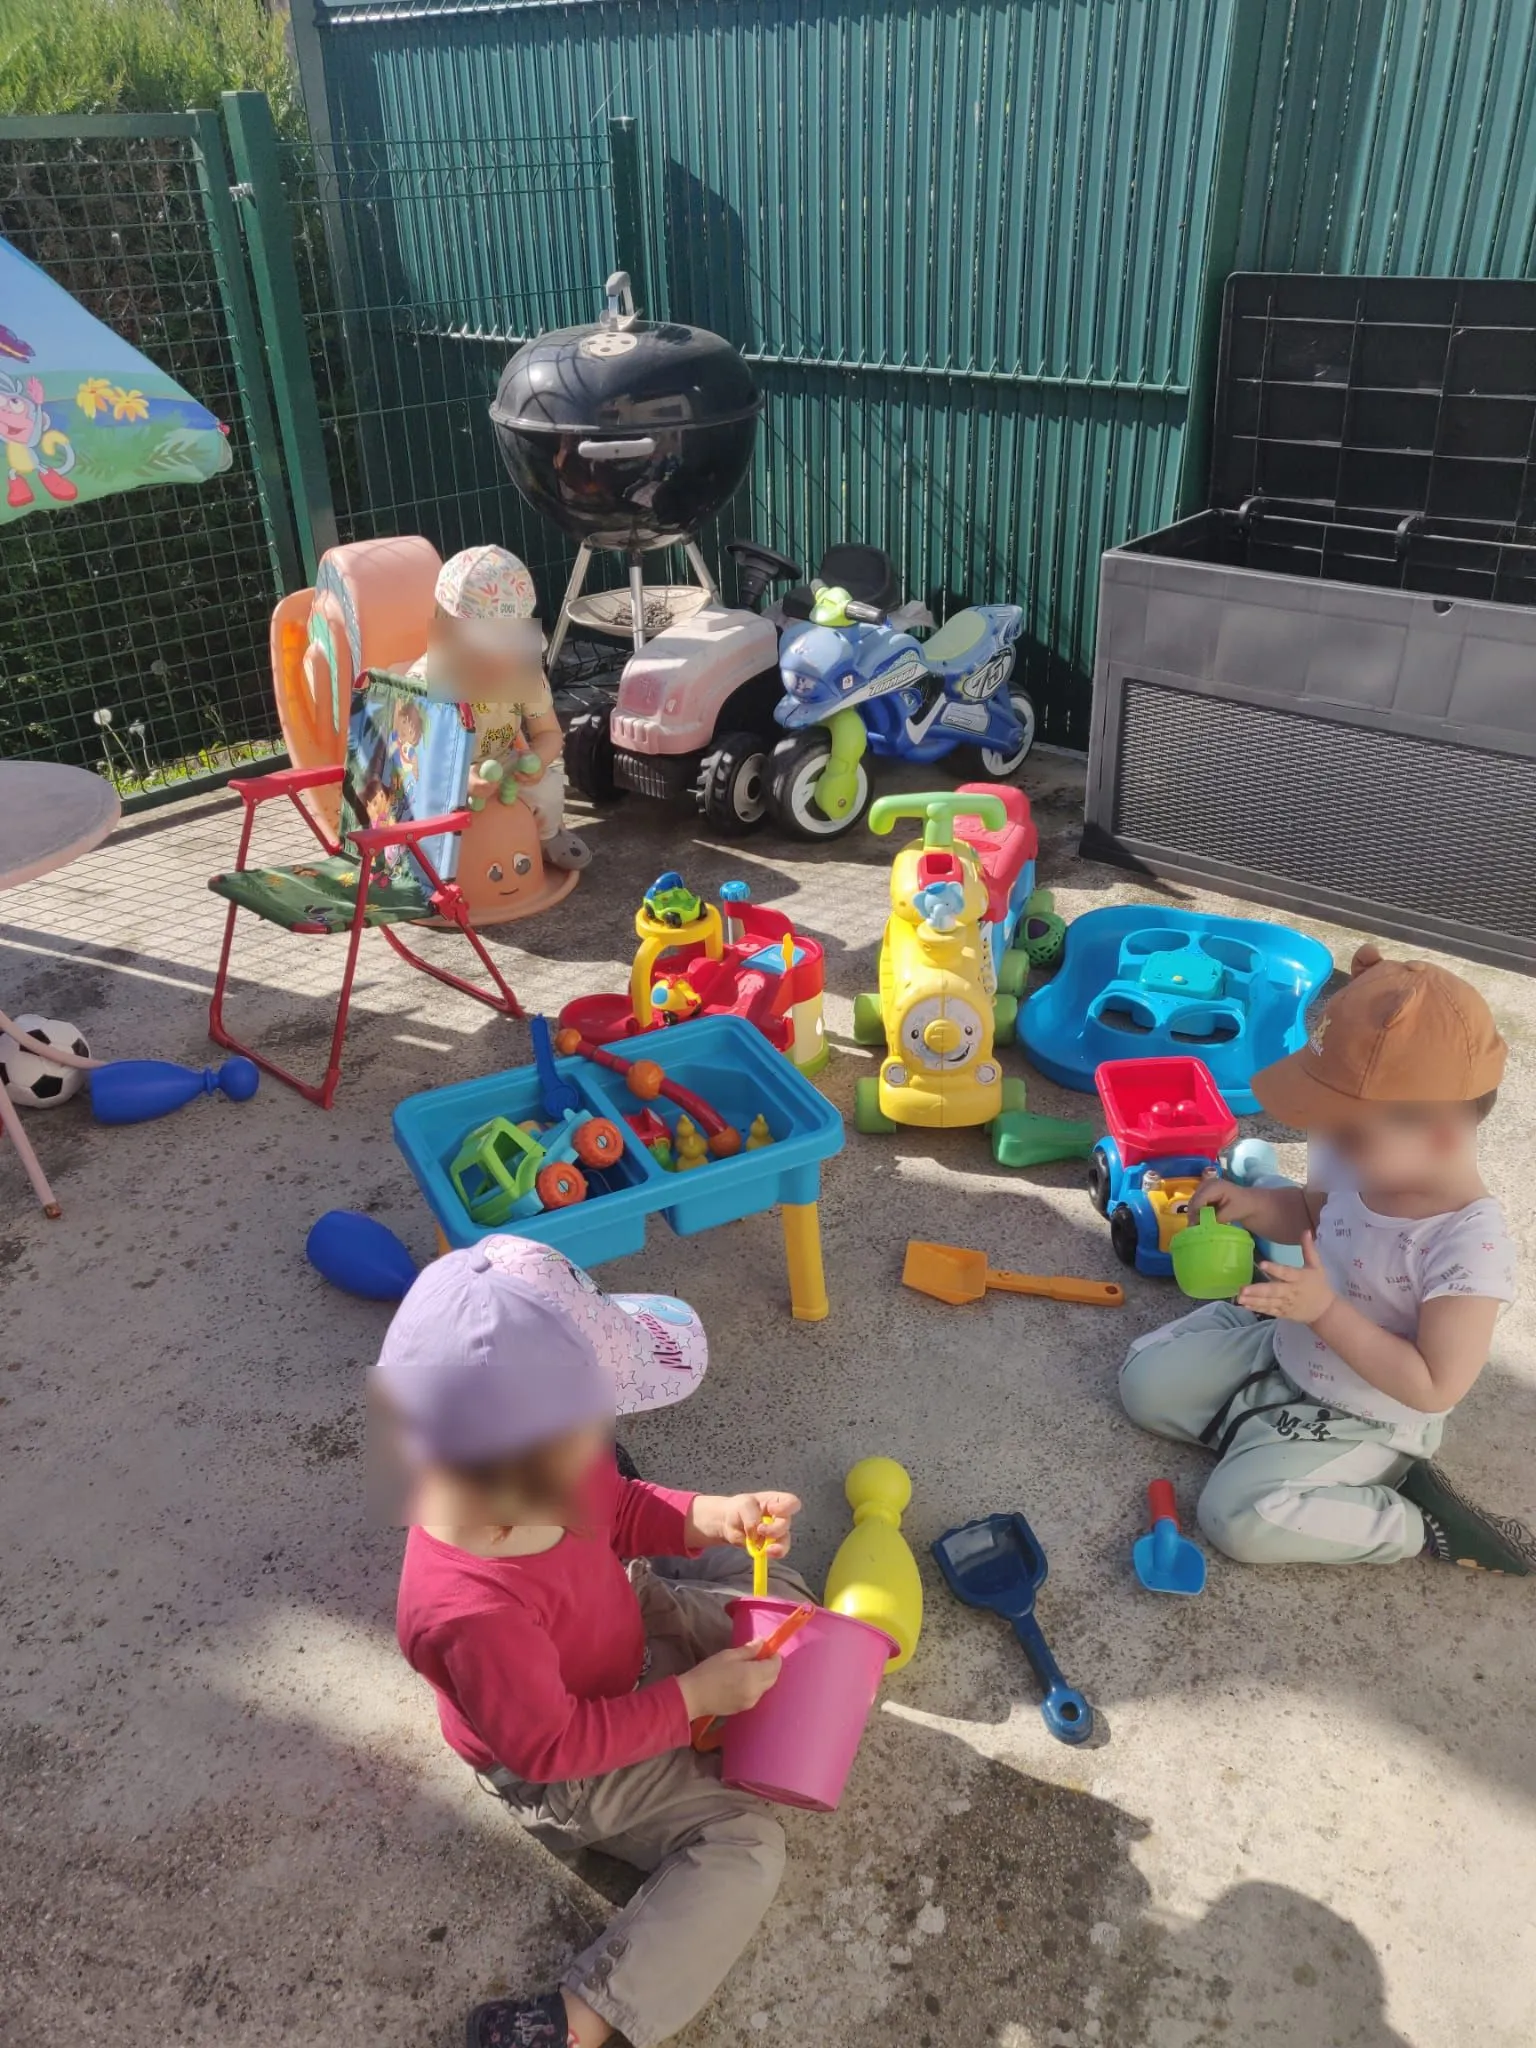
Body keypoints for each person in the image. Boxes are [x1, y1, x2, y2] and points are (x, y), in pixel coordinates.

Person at [373, 1234, 808, 2048]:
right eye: (594, 1422)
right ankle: (580, 2020)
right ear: (525, 1471)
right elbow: (549, 1745)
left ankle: (717, 1632)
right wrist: (690, 1701)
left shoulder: (543, 1479)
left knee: (791, 1619)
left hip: (628, 1624)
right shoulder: (468, 1611)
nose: (607, 1437)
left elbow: (620, 1505)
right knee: (746, 1848)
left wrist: (709, 1514)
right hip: (575, 1764)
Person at [1120, 946, 1535, 1573]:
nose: (1324, 1144)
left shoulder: (1467, 1247)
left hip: (1369, 1415)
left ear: (1443, 1136)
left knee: (1238, 1519)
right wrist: (1257, 1205)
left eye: (1345, 1133)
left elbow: (1432, 1386)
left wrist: (1324, 1313)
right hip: (1288, 1348)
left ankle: (1414, 1523)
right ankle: (1250, 1382)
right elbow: (1316, 1212)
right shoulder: (1362, 1157)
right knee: (1143, 1385)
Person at [413, 545, 591, 871]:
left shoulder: (521, 667)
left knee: (549, 786)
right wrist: (459, 780)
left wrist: (537, 762)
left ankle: (548, 836)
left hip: (506, 764)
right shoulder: (432, 680)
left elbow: (549, 733)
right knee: (433, 811)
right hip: (449, 776)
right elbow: (416, 757)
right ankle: (442, 863)